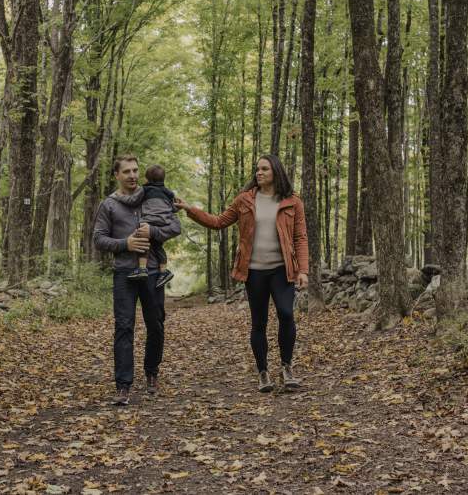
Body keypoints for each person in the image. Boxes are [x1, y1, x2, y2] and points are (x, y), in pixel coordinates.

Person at [175, 154, 309, 393]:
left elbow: (300, 237)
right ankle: (263, 372)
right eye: (257, 169)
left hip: (282, 269)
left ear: (276, 171)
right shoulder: (244, 200)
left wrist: (303, 270)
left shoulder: (292, 201)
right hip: (254, 271)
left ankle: (287, 367)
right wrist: (190, 209)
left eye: (264, 169)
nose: (259, 173)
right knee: (259, 322)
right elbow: (218, 222)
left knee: (287, 314)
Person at [93, 155, 181, 406]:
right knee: (124, 327)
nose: (132, 175)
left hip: (152, 272)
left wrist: (153, 231)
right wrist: (125, 244)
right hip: (124, 273)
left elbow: (174, 226)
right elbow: (98, 239)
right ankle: (123, 385)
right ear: (117, 175)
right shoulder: (109, 205)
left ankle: (152, 372)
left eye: (135, 171)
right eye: (126, 172)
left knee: (156, 325)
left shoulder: (153, 195)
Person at [126, 164, 176, 290]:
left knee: (143, 240)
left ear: (148, 180)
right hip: (164, 222)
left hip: (149, 221)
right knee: (158, 246)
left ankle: (142, 268)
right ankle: (164, 271)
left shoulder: (145, 190)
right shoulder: (168, 192)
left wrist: (123, 199)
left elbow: (133, 201)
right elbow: (174, 208)